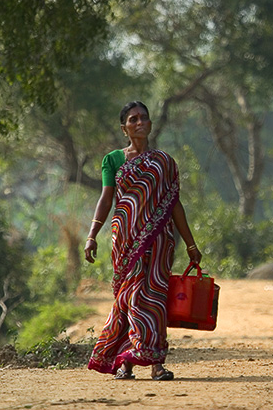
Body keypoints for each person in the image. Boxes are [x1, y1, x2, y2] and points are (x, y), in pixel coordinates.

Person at [84, 101, 202, 381]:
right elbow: (106, 199)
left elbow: (175, 206)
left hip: (160, 242)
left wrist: (191, 244)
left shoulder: (164, 162)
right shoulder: (112, 160)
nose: (140, 123)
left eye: (144, 118)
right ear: (124, 128)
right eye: (133, 119)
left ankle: (155, 364)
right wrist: (91, 235)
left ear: (149, 124)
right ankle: (126, 362)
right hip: (124, 242)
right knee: (129, 298)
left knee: (154, 299)